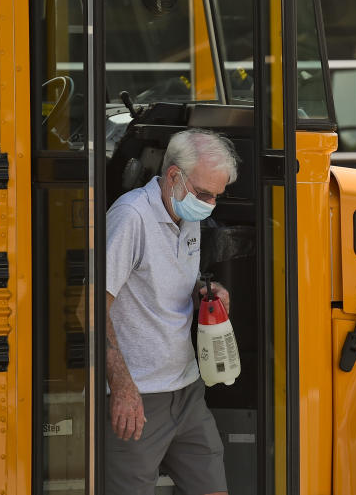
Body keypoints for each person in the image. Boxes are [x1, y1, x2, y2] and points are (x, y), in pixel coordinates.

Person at [104, 128, 239, 495]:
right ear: (175, 176)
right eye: (205, 194)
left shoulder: (187, 214)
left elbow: (166, 286)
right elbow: (91, 309)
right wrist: (122, 387)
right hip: (140, 396)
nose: (210, 205)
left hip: (187, 390)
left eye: (217, 196)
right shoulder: (131, 216)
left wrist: (205, 294)